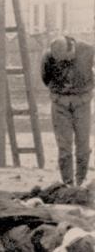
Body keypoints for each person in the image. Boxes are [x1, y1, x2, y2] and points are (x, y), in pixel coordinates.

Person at [41, 36, 94, 185]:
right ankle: (68, 182)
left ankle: (81, 180)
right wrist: (59, 94)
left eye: (67, 58)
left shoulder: (89, 50)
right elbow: (45, 78)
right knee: (64, 146)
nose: (65, 62)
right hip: (60, 102)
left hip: (82, 102)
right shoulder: (49, 56)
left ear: (72, 48)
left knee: (83, 144)